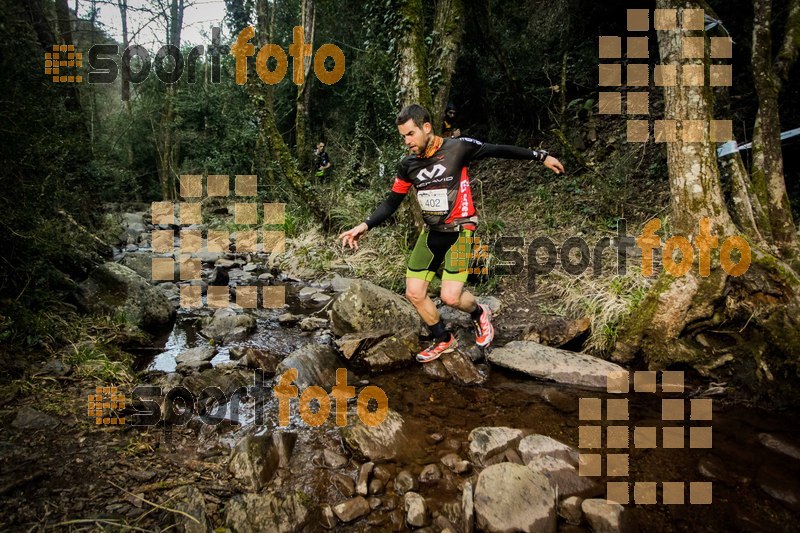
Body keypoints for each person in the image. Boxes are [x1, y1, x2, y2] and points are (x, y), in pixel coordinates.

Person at [338, 104, 564, 363]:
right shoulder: (408, 165)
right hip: (432, 233)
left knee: (450, 297)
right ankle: (443, 339)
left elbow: (497, 150)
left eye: (411, 134)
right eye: (403, 136)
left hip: (460, 231)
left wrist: (540, 156)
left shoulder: (458, 147)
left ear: (426, 127)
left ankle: (480, 312)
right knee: (413, 292)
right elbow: (391, 202)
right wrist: (363, 226)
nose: (407, 141)